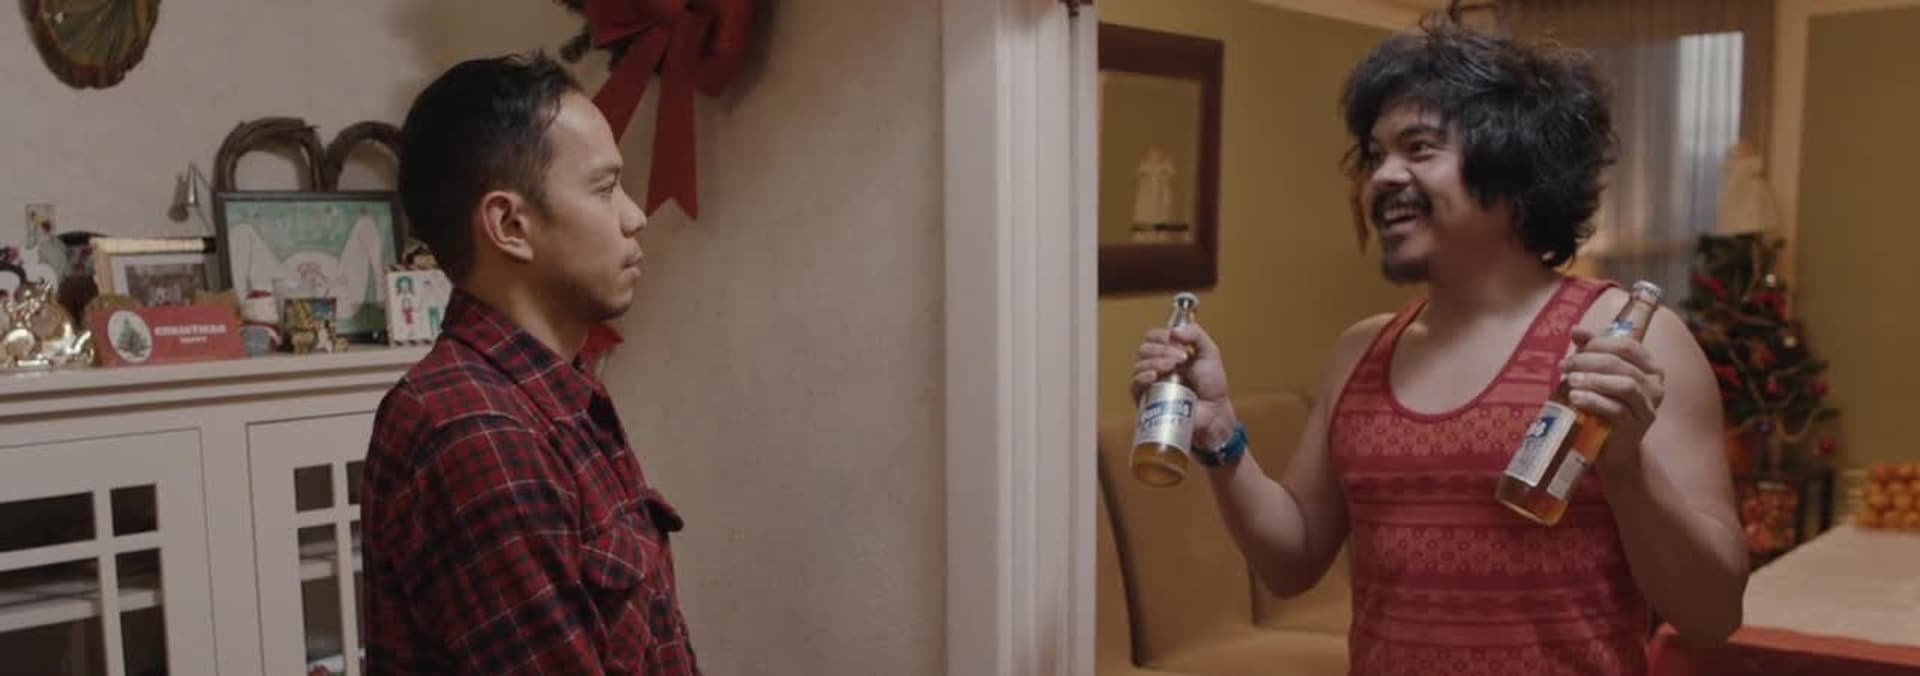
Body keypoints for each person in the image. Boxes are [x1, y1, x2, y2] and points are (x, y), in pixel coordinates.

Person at [1130, 15, 1746, 675]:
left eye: (1419, 148)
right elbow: (1291, 562)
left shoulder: (1627, 341)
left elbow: (1712, 615)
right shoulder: (1360, 353)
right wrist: (1220, 437)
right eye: (1375, 156)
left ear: (1512, 165)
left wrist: (1625, 463)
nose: (1382, 177)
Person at [361, 52, 698, 674]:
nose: (635, 216)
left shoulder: (556, 396)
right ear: (510, 224)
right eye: (604, 189)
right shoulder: (473, 431)